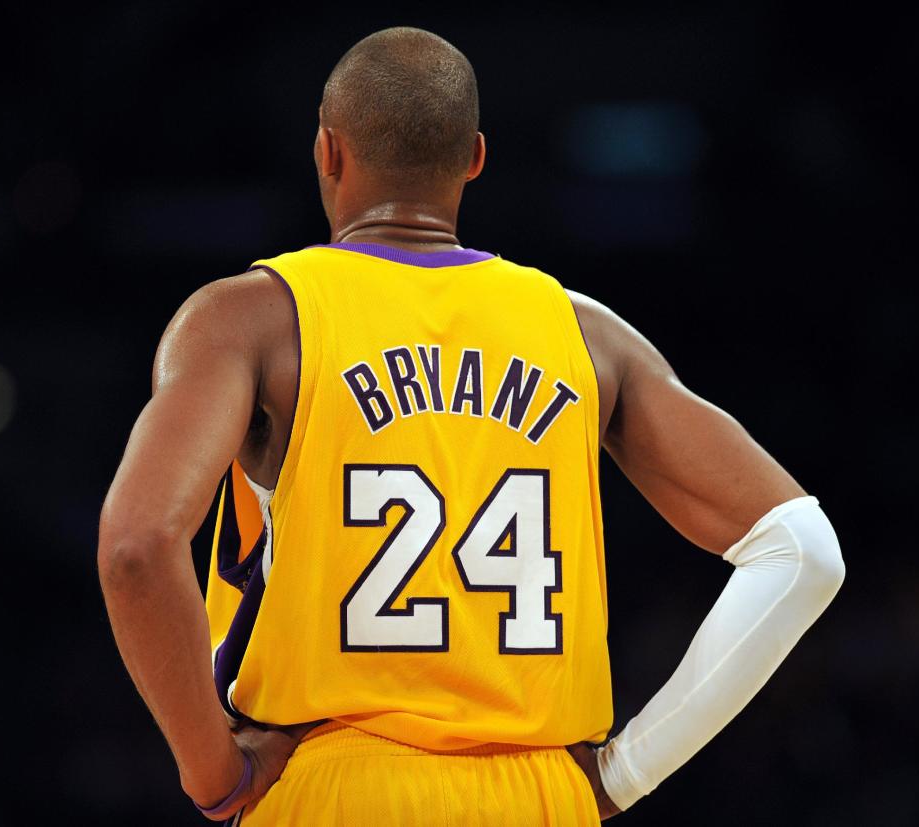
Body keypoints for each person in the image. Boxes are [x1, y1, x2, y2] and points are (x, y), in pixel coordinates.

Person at [98, 26, 845, 825]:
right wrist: (626, 771)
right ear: (475, 159)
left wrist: (215, 772)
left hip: (335, 784)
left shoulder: (252, 320)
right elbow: (803, 551)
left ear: (328, 151)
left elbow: (138, 544)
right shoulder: (585, 335)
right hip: (541, 794)